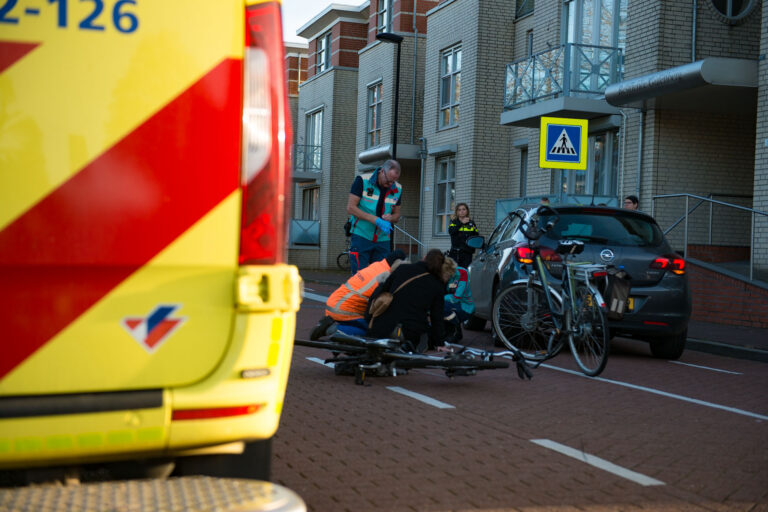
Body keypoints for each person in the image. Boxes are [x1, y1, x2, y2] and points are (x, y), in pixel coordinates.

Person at [366, 249, 454, 353]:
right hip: (408, 333)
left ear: (424, 257)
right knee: (424, 335)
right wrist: (440, 343)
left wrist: (368, 318)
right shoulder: (437, 285)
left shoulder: (402, 269)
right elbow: (437, 317)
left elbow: (381, 291)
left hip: (381, 327)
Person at [309, 250, 406, 340]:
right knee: (370, 331)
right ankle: (334, 329)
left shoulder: (378, 265)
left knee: (367, 324)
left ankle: (330, 323)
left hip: (335, 303)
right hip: (343, 309)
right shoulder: (386, 276)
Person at [346, 160, 402, 274]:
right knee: (359, 277)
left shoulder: (398, 188)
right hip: (361, 236)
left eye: (393, 181)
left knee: (381, 278)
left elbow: (397, 215)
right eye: (388, 180)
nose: (390, 184)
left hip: (383, 239)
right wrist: (375, 220)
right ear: (382, 172)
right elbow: (351, 208)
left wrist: (391, 218)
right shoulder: (362, 181)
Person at [442, 265, 475, 343]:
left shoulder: (462, 272)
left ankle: (455, 332)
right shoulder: (440, 275)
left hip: (465, 307)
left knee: (442, 305)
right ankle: (447, 332)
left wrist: (439, 299)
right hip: (452, 304)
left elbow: (456, 297)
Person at [447, 203, 479, 268]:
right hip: (455, 253)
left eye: (464, 209)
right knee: (454, 274)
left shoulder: (471, 223)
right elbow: (451, 232)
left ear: (467, 211)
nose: (461, 211)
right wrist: (461, 223)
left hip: (467, 254)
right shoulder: (453, 222)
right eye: (459, 210)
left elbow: (476, 236)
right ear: (457, 212)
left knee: (465, 273)